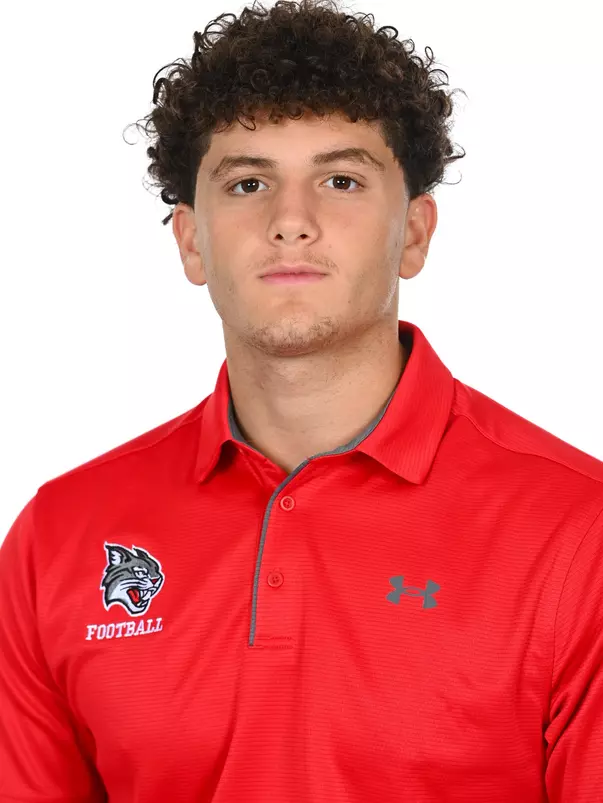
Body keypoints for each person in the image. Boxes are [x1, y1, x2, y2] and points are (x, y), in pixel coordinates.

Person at [1, 0, 602, 800]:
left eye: (340, 180)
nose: (291, 221)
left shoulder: (577, 531)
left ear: (413, 233)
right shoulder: (60, 536)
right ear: (191, 240)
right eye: (247, 183)